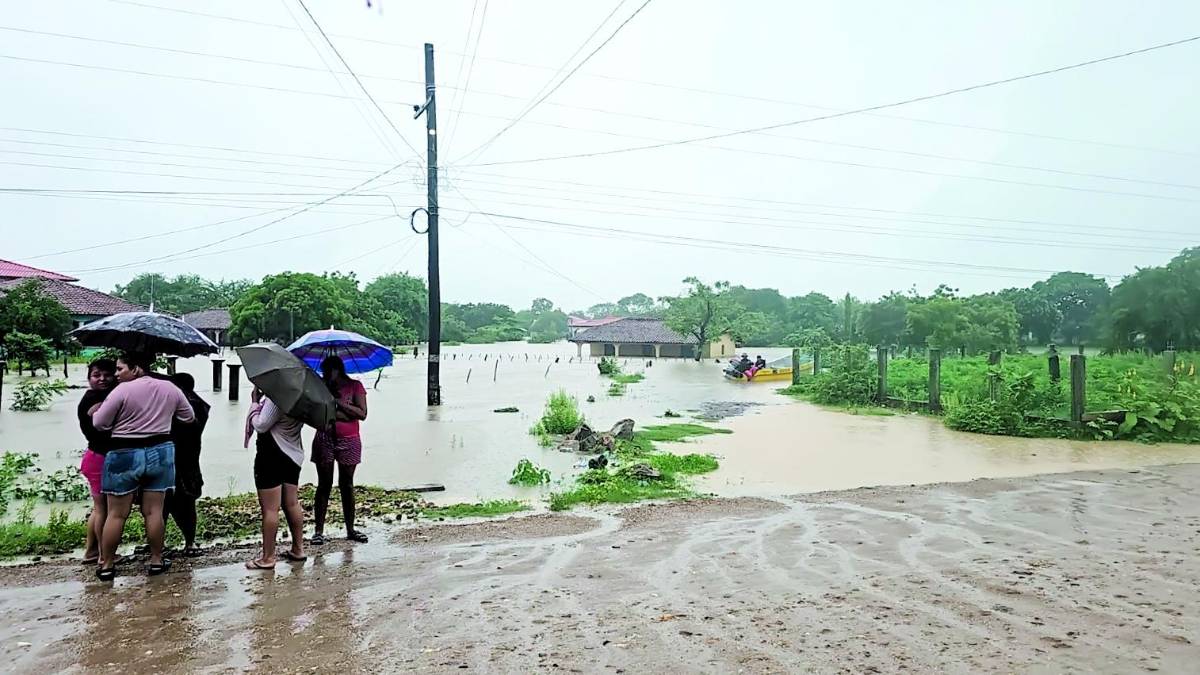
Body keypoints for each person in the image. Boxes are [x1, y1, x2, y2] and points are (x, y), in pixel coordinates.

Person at [91, 353, 194, 580]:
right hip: (161, 451)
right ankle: (156, 560)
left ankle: (107, 564)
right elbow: (188, 417)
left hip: (124, 453)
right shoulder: (170, 388)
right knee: (154, 511)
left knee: (117, 514)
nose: (116, 374)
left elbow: (100, 423)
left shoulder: (121, 391)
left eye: (120, 369)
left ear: (136, 368)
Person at [245, 387, 307, 570]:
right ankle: (298, 548)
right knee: (292, 503)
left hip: (271, 455)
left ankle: (268, 558)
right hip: (293, 454)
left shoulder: (278, 397)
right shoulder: (301, 397)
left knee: (270, 509)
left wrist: (255, 403)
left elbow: (261, 425)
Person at [310, 355, 369, 545]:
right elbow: (316, 415)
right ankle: (318, 531)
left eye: (330, 372)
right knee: (323, 485)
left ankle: (350, 529)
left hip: (349, 440)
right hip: (325, 437)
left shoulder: (355, 386)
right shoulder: (320, 387)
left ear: (338, 370)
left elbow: (362, 413)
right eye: (325, 372)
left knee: (347, 485)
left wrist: (339, 403)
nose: (327, 375)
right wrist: (341, 412)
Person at [163, 372, 210, 557]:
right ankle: (189, 542)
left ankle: (183, 542)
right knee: (183, 504)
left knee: (165, 503)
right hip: (189, 461)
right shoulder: (199, 405)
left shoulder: (187, 407)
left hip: (177, 460)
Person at [77, 358, 116, 565]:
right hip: (100, 458)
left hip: (95, 457)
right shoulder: (95, 400)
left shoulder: (102, 396)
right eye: (96, 375)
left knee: (99, 508)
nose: (102, 379)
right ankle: (103, 554)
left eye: (107, 374)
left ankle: (91, 551)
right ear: (89, 378)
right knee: (104, 510)